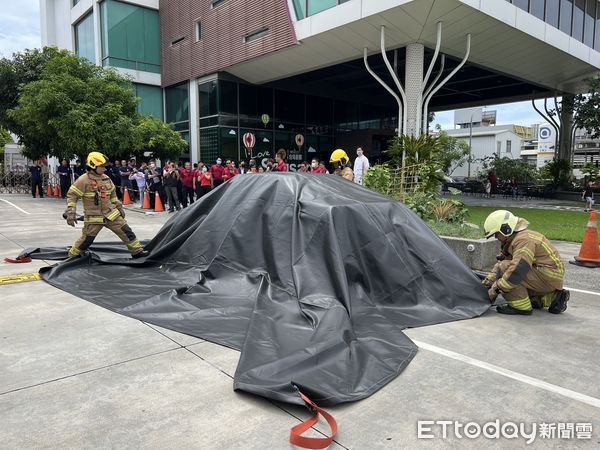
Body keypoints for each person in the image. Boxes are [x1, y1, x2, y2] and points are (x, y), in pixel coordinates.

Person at [482, 210, 569, 315]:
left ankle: (521, 307)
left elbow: (517, 270)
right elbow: (500, 265)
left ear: (506, 229)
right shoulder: (518, 238)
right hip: (547, 275)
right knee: (506, 269)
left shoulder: (523, 240)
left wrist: (495, 289)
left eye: (496, 234)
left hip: (547, 275)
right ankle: (551, 298)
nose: (496, 238)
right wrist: (487, 283)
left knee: (508, 274)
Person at [64, 152, 147, 258]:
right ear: (93, 166)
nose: (105, 169)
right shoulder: (83, 180)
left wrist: (118, 206)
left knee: (127, 232)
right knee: (86, 240)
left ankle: (137, 252)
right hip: (94, 217)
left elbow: (112, 195)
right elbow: (72, 196)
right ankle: (72, 255)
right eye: (102, 166)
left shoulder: (106, 178)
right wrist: (71, 211)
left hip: (111, 214)